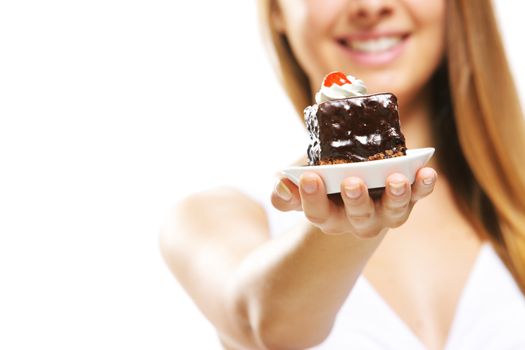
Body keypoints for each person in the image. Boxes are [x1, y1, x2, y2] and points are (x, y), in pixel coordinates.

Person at [160, 0, 525, 349]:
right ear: (277, 11)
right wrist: (346, 225)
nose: (370, 4)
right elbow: (263, 323)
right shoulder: (209, 218)